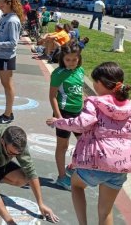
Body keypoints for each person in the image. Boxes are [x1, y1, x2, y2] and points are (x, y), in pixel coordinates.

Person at [46, 62, 131, 225]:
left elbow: (82, 123)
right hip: (120, 167)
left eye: (94, 81)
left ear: (100, 83)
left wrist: (59, 122)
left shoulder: (94, 102)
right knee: (105, 211)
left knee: (76, 185)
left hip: (96, 162)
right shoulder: (130, 106)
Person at [48, 41, 84, 190]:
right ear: (62, 58)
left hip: (79, 113)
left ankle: (72, 166)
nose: (71, 63)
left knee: (85, 143)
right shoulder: (58, 74)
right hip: (64, 113)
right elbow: (52, 96)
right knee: (62, 146)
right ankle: (62, 177)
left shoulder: (80, 71)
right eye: (68, 60)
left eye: (74, 59)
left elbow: (80, 92)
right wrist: (59, 117)